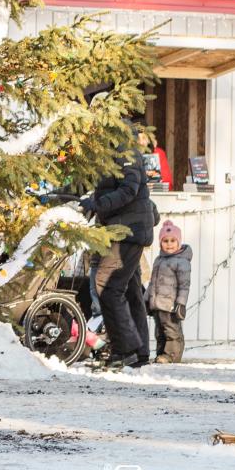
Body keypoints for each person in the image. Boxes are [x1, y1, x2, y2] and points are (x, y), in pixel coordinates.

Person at [80, 121, 157, 371]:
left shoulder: (126, 151)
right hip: (125, 228)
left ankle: (126, 349)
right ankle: (139, 352)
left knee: (108, 286)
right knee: (130, 289)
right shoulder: (106, 155)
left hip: (128, 231)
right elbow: (85, 186)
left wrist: (98, 205)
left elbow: (129, 189)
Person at [146, 220, 191, 363]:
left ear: (179, 242)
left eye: (173, 240)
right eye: (165, 241)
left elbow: (184, 285)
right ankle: (162, 354)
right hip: (158, 304)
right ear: (160, 243)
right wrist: (147, 299)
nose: (169, 244)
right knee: (160, 332)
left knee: (172, 330)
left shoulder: (181, 261)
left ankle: (171, 355)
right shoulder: (159, 260)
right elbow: (152, 283)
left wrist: (181, 303)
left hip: (171, 305)